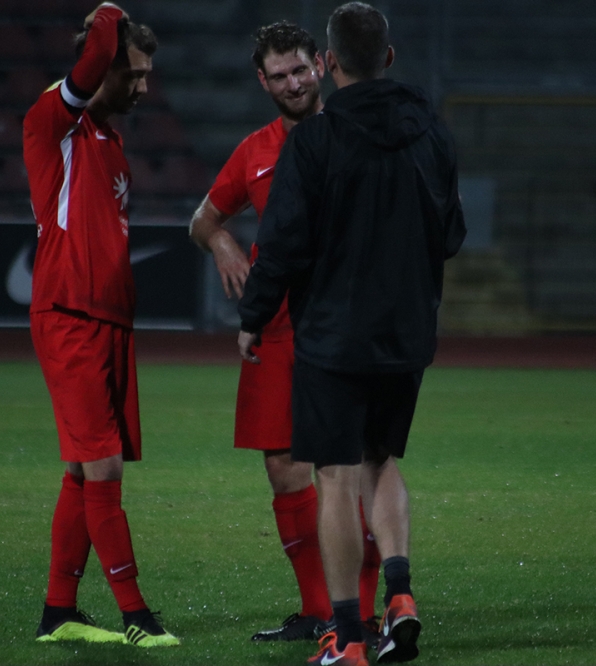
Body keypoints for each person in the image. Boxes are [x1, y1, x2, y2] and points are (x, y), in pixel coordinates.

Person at [237, 3, 467, 665]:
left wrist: (254, 317)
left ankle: (347, 638)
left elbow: (282, 246)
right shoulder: (432, 131)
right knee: (381, 461)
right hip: (406, 334)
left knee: (336, 476)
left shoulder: (315, 141)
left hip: (334, 336)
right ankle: (400, 595)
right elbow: (451, 235)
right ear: (387, 57)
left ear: (328, 63)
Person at [190, 21, 383, 644]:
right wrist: (222, 241)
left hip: (342, 321)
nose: (293, 84)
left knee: (349, 466)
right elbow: (201, 219)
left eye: (300, 70)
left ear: (321, 65)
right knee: (283, 467)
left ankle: (362, 611)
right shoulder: (255, 150)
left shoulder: (355, 135)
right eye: (280, 76)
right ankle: (319, 610)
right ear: (262, 81)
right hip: (275, 325)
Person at [22, 2, 178, 648]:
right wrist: (110, 12)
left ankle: (59, 612)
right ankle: (136, 616)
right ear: (103, 68)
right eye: (132, 74)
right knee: (105, 465)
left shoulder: (112, 144)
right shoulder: (53, 121)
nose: (142, 87)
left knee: (85, 470)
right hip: (69, 315)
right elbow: (91, 57)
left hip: (109, 322)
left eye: (146, 75)